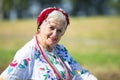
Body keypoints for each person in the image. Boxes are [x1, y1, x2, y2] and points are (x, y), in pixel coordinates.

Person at [0, 7, 97, 80]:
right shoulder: (28, 53)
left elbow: (81, 74)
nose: (55, 34)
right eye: (51, 28)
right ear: (40, 27)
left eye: (59, 31)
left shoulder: (61, 50)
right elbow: (7, 77)